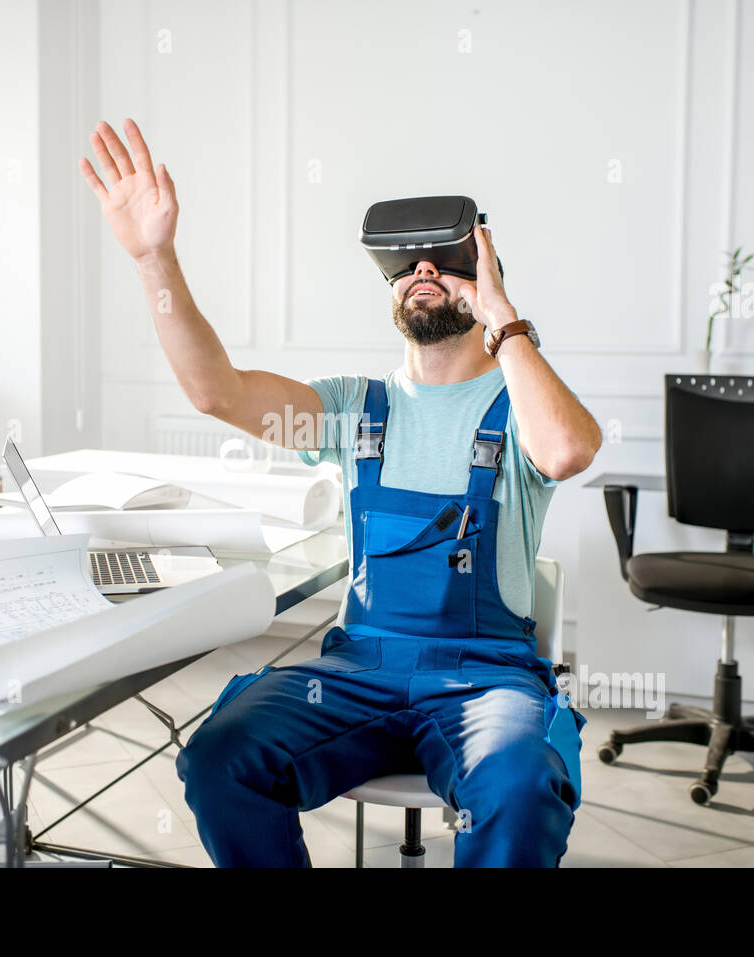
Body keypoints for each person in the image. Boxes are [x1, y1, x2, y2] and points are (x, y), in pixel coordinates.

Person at [79, 119, 603, 867]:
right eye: (407, 264)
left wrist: (502, 317)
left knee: (519, 785)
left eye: (446, 261)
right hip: (355, 672)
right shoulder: (353, 408)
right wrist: (153, 257)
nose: (424, 269)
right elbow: (214, 392)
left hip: (484, 679)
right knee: (219, 758)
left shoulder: (519, 404)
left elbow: (569, 448)